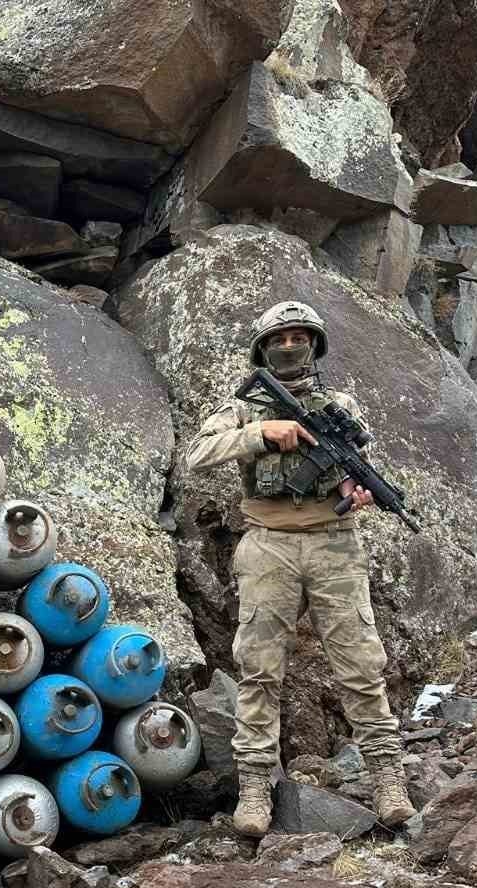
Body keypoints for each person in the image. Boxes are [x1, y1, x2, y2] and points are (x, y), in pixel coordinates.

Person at [184, 301, 416, 837]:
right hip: (268, 543)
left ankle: (388, 777)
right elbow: (198, 453)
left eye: (299, 336)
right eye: (279, 338)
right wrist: (264, 433)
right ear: (263, 349)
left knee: (361, 664)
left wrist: (350, 491)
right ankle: (256, 788)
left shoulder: (340, 404)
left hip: (334, 542)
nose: (290, 346)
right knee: (259, 668)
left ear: (315, 344)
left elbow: (348, 462)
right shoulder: (245, 407)